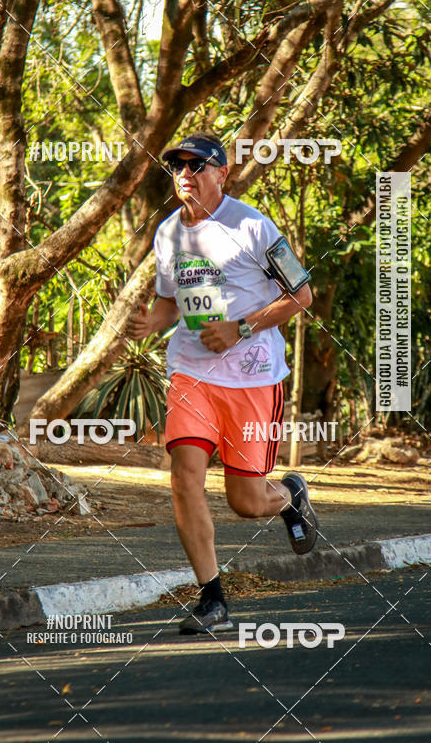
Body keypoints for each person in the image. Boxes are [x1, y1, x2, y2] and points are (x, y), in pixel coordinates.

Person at [127, 132, 318, 635]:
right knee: (184, 474)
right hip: (191, 371)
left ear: (221, 174)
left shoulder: (253, 226)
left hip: (252, 377)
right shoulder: (168, 233)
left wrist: (241, 327)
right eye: (177, 167)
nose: (184, 175)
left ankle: (290, 496)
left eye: (197, 166)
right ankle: (212, 597)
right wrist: (153, 321)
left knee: (246, 501)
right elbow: (172, 299)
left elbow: (302, 294)